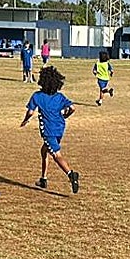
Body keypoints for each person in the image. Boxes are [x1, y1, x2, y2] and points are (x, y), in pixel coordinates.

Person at [20, 65, 80, 194]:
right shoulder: (60, 96)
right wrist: (66, 115)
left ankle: (70, 174)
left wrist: (25, 120)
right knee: (44, 150)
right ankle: (43, 179)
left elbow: (30, 112)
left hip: (48, 131)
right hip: (60, 127)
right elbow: (73, 108)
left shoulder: (37, 96)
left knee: (56, 155)